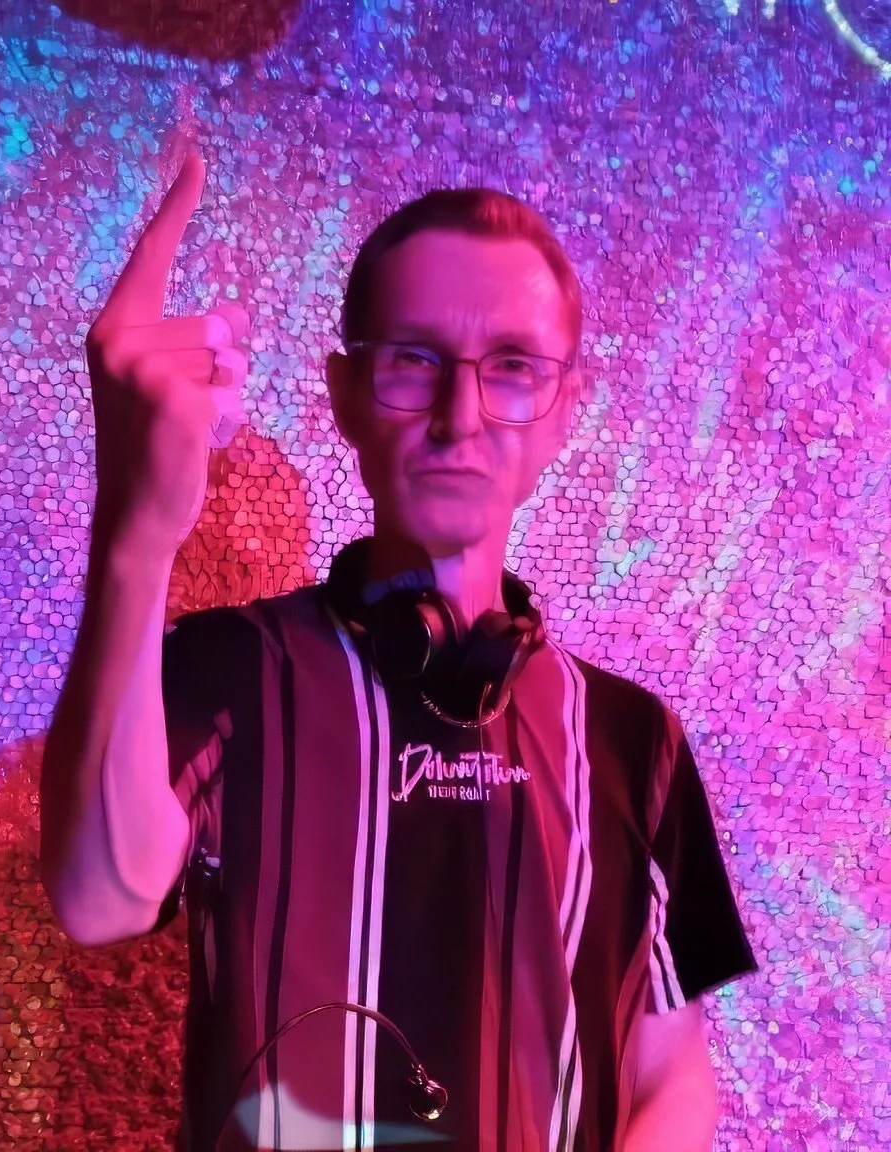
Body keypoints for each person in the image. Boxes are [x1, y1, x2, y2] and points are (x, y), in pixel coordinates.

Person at [40, 149, 757, 1151]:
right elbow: (97, 899)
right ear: (344, 394)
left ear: (564, 412)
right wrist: (136, 531)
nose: (459, 418)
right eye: (414, 361)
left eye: (512, 367)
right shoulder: (221, 670)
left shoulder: (637, 742)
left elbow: (671, 1075)